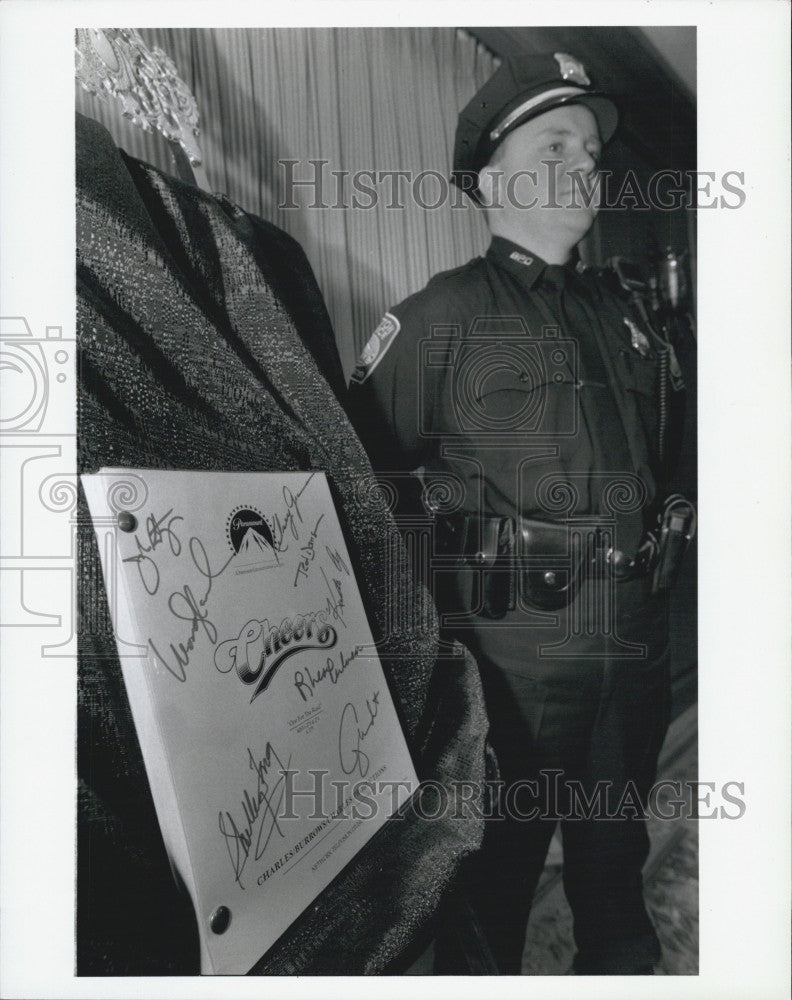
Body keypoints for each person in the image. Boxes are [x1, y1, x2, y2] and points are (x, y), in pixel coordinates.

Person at [348, 52, 693, 975]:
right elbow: (361, 491)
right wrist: (416, 656)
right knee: (490, 895)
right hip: (515, 660)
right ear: (496, 175)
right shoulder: (440, 318)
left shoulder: (628, 317)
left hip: (633, 644)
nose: (586, 162)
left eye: (590, 147)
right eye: (557, 144)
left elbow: (670, 458)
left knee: (616, 883)